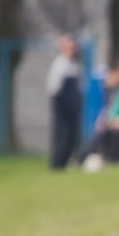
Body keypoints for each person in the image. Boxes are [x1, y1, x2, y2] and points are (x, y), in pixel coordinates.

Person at [46, 34, 83, 171]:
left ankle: (67, 160)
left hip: (73, 103)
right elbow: (53, 87)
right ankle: (57, 162)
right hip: (62, 103)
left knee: (71, 133)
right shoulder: (59, 64)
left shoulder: (75, 64)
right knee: (61, 133)